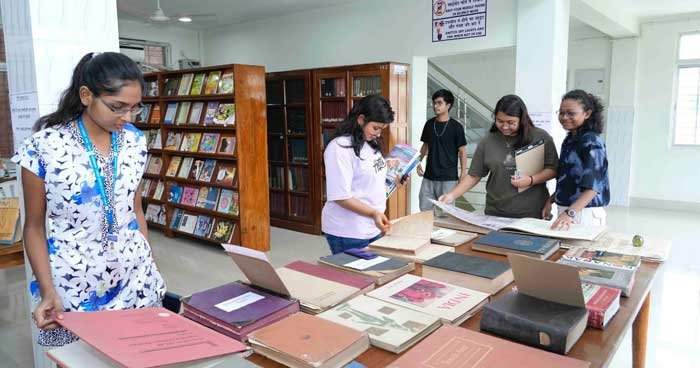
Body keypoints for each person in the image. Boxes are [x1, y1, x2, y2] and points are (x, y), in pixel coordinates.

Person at [11, 52, 166, 346]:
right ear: (86, 95)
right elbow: (33, 227)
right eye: (117, 107)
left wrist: (151, 266)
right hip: (74, 284)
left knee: (136, 355)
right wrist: (47, 290)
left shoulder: (135, 141)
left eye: (135, 109)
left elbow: (135, 212)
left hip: (135, 277)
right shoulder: (43, 147)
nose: (127, 118)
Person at [439, 94, 559, 218]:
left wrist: (530, 180)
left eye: (511, 122)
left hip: (531, 212)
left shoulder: (540, 137)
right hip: (495, 212)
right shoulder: (488, 140)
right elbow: (474, 175)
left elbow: (553, 169)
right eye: (500, 121)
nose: (505, 126)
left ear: (522, 120)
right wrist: (451, 195)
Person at [322, 94, 397, 254]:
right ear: (361, 119)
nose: (378, 133)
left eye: (381, 129)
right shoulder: (339, 148)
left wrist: (394, 179)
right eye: (375, 128)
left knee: (370, 275)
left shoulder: (369, 142)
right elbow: (341, 197)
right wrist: (373, 213)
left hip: (372, 226)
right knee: (353, 278)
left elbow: (370, 179)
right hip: (348, 229)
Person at [545, 90, 610, 230]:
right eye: (561, 113)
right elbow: (568, 179)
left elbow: (594, 187)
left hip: (583, 213)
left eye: (571, 113)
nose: (564, 117)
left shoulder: (592, 141)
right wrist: (551, 200)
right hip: (568, 211)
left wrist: (570, 213)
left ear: (587, 114)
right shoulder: (570, 140)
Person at [417, 89, 468, 213]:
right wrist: (418, 162)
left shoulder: (456, 127)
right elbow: (425, 145)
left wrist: (463, 173)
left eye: (439, 103)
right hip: (429, 176)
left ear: (448, 105)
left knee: (446, 213)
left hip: (448, 178)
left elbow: (462, 152)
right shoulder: (429, 124)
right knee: (424, 209)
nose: (435, 106)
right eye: (434, 103)